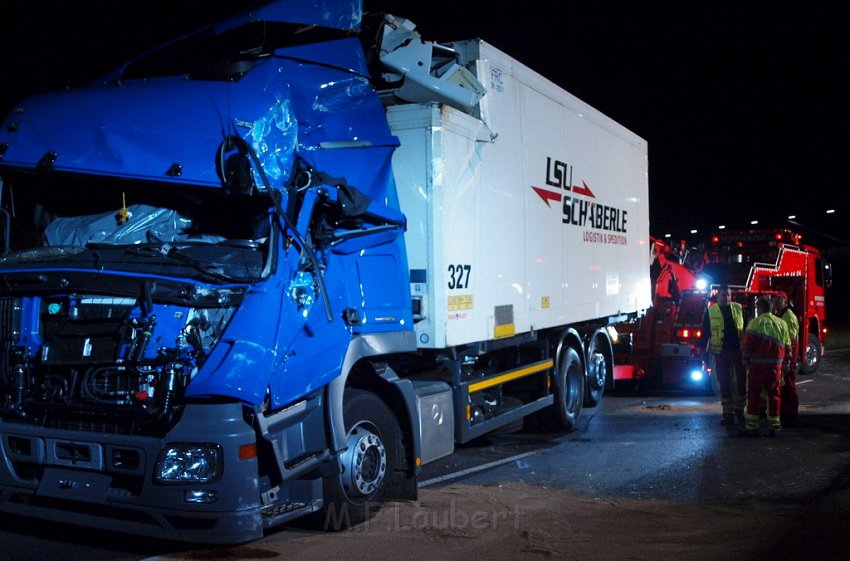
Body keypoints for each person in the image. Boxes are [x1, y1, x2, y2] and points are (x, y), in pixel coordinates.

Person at [740, 296, 791, 436]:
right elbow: (788, 345)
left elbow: (748, 345)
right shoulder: (782, 324)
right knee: (774, 396)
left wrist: (745, 359)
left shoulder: (754, 323)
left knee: (753, 396)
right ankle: (774, 427)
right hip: (775, 366)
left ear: (760, 308)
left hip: (757, 366)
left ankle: (752, 427)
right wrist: (786, 362)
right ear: (772, 308)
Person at [701, 284, 746, 426]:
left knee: (740, 381)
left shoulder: (739, 309)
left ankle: (740, 410)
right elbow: (706, 333)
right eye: (723, 295)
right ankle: (727, 413)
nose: (726, 298)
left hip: (737, 350)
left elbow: (746, 328)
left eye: (728, 295)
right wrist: (703, 352)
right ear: (717, 296)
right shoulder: (711, 311)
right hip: (721, 352)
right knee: (724, 382)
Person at [772, 293, 800, 426]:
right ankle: (785, 413)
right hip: (784, 358)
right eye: (774, 300)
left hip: (788, 358)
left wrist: (789, 360)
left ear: (785, 302)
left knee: (789, 386)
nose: (776, 302)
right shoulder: (781, 315)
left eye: (779, 300)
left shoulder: (788, 317)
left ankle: (791, 415)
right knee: (784, 387)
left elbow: (792, 341)